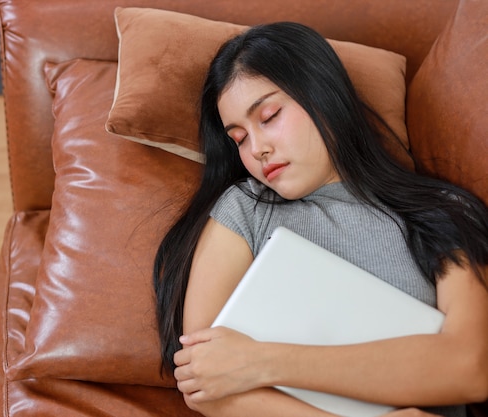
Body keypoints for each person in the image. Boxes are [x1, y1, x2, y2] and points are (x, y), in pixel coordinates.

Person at [153, 22, 488, 417]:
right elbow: (205, 381)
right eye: (239, 138)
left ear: (321, 93)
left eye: (269, 115)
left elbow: (470, 366)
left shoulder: (443, 211)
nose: (257, 148)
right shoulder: (244, 209)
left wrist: (262, 361)